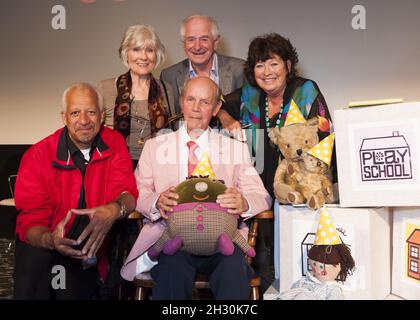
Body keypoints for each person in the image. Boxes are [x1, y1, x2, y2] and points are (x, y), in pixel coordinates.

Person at [121, 77, 272, 299]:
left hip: (223, 240)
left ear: (216, 108)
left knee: (234, 270)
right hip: (171, 238)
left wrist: (244, 202)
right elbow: (139, 195)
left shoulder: (234, 148)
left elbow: (262, 196)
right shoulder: (155, 147)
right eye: (190, 99)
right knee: (172, 270)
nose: (195, 108)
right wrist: (156, 201)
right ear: (181, 102)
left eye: (204, 101)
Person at [221, 33, 334, 293]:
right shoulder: (249, 94)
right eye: (260, 65)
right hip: (257, 186)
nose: (266, 72)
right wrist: (227, 118)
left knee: (292, 257)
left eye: (273, 63)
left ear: (288, 65)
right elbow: (218, 103)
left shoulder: (306, 90)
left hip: (296, 187)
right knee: (259, 261)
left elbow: (325, 138)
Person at [13, 83, 138, 300]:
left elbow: (127, 193)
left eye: (90, 112)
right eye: (75, 113)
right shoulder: (38, 155)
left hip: (90, 251)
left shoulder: (114, 143)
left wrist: (115, 209)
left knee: (71, 288)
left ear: (101, 116)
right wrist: (50, 239)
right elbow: (31, 221)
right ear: (64, 117)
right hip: (47, 245)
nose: (83, 120)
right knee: (35, 264)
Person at [99, 24, 174, 167]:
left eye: (150, 50)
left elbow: (173, 133)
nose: (144, 57)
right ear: (126, 53)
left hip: (158, 166)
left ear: (157, 55)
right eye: (136, 49)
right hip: (115, 166)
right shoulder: (106, 88)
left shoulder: (166, 89)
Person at [160, 14, 244, 128]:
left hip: (230, 143)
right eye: (191, 39)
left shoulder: (240, 70)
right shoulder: (169, 76)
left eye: (204, 39)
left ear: (216, 42)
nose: (197, 46)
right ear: (184, 44)